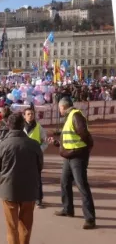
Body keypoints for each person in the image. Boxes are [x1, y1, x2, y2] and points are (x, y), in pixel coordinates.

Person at [0, 113, 43, 244]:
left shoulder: (2, 145)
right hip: (29, 189)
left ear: (8, 126)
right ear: (23, 125)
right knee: (26, 226)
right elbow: (39, 167)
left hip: (9, 189)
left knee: (12, 227)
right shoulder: (34, 145)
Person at [48, 97, 96, 230]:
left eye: (59, 108)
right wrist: (58, 144)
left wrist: (85, 149)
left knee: (82, 185)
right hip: (69, 155)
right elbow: (70, 137)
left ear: (63, 107)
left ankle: (90, 218)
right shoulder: (70, 117)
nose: (59, 110)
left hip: (77, 156)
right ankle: (67, 208)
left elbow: (85, 135)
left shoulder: (75, 116)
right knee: (65, 182)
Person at [23, 108, 48, 208]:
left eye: (32, 114)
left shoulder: (38, 127)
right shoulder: (20, 127)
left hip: (35, 157)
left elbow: (45, 141)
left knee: (37, 179)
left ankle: (38, 199)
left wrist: (39, 150)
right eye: (28, 114)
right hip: (23, 157)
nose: (30, 116)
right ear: (24, 116)